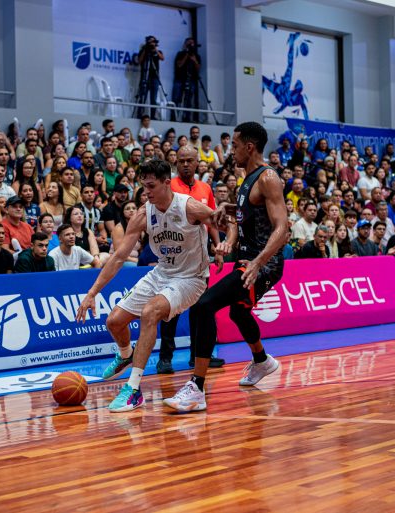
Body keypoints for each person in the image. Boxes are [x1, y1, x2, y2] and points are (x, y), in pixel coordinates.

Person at [75, 159, 219, 413]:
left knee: (150, 312)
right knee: (114, 322)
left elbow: (222, 221)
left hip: (191, 277)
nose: (146, 192)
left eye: (152, 186)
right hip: (162, 273)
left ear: (166, 183)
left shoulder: (189, 206)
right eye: (144, 186)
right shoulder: (143, 214)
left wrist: (223, 244)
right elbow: (118, 257)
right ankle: (126, 354)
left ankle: (133, 390)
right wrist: (92, 293)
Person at [163, 122, 288, 412]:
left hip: (262, 264)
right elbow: (251, 212)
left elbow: (282, 227)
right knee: (238, 312)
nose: (231, 151)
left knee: (203, 305)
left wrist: (259, 262)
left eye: (235, 145)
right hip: (247, 260)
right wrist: (228, 209)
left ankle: (196, 387)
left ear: (250, 147)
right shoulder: (248, 178)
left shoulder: (268, 177)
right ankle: (261, 361)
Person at [158, 145, 224, 373]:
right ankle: (165, 358)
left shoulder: (205, 188)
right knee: (171, 310)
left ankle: (199, 357)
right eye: (181, 160)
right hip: (174, 258)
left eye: (189, 160)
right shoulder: (168, 187)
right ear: (175, 163)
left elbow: (212, 221)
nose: (185, 164)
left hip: (199, 258)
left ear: (197, 163)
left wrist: (218, 247)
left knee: (201, 309)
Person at [172, 37, 201, 122]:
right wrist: (187, 55)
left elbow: (198, 68)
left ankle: (187, 118)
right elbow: (179, 65)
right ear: (185, 44)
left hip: (191, 80)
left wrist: (194, 60)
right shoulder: (180, 54)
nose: (191, 45)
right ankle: (174, 117)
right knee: (176, 98)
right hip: (180, 79)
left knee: (189, 100)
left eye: (192, 43)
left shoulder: (196, 56)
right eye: (189, 43)